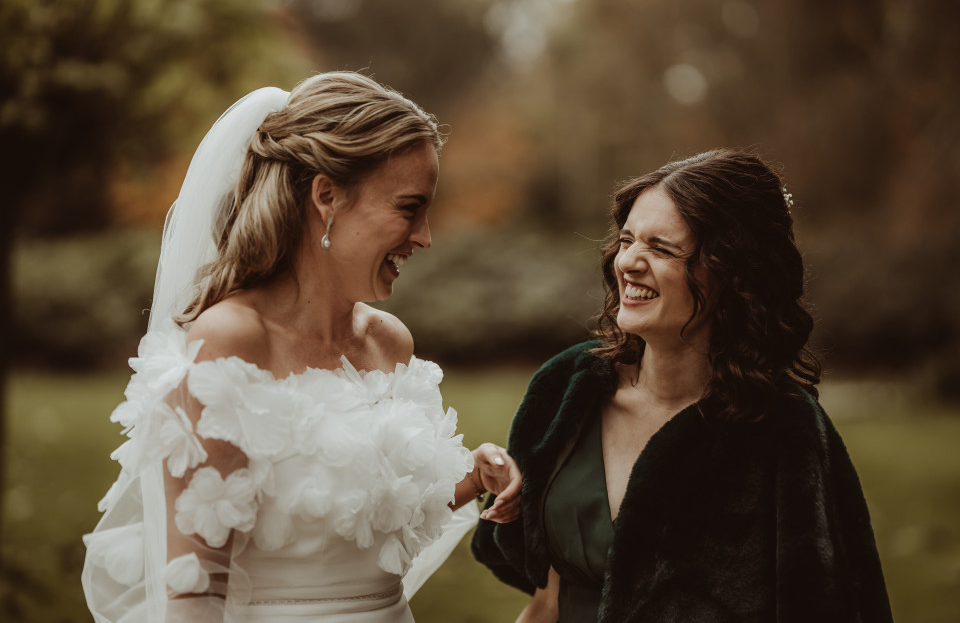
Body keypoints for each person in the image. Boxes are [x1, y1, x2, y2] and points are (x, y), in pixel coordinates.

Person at [82, 72, 521, 623]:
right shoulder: (231, 341)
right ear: (327, 196)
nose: (425, 236)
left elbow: (377, 516)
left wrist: (475, 477)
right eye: (410, 207)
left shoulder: (389, 342)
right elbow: (196, 589)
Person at [472, 149, 893, 622]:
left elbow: (826, 602)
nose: (628, 262)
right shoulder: (568, 387)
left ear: (731, 273)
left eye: (662, 248)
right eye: (627, 239)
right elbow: (546, 602)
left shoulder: (783, 429)